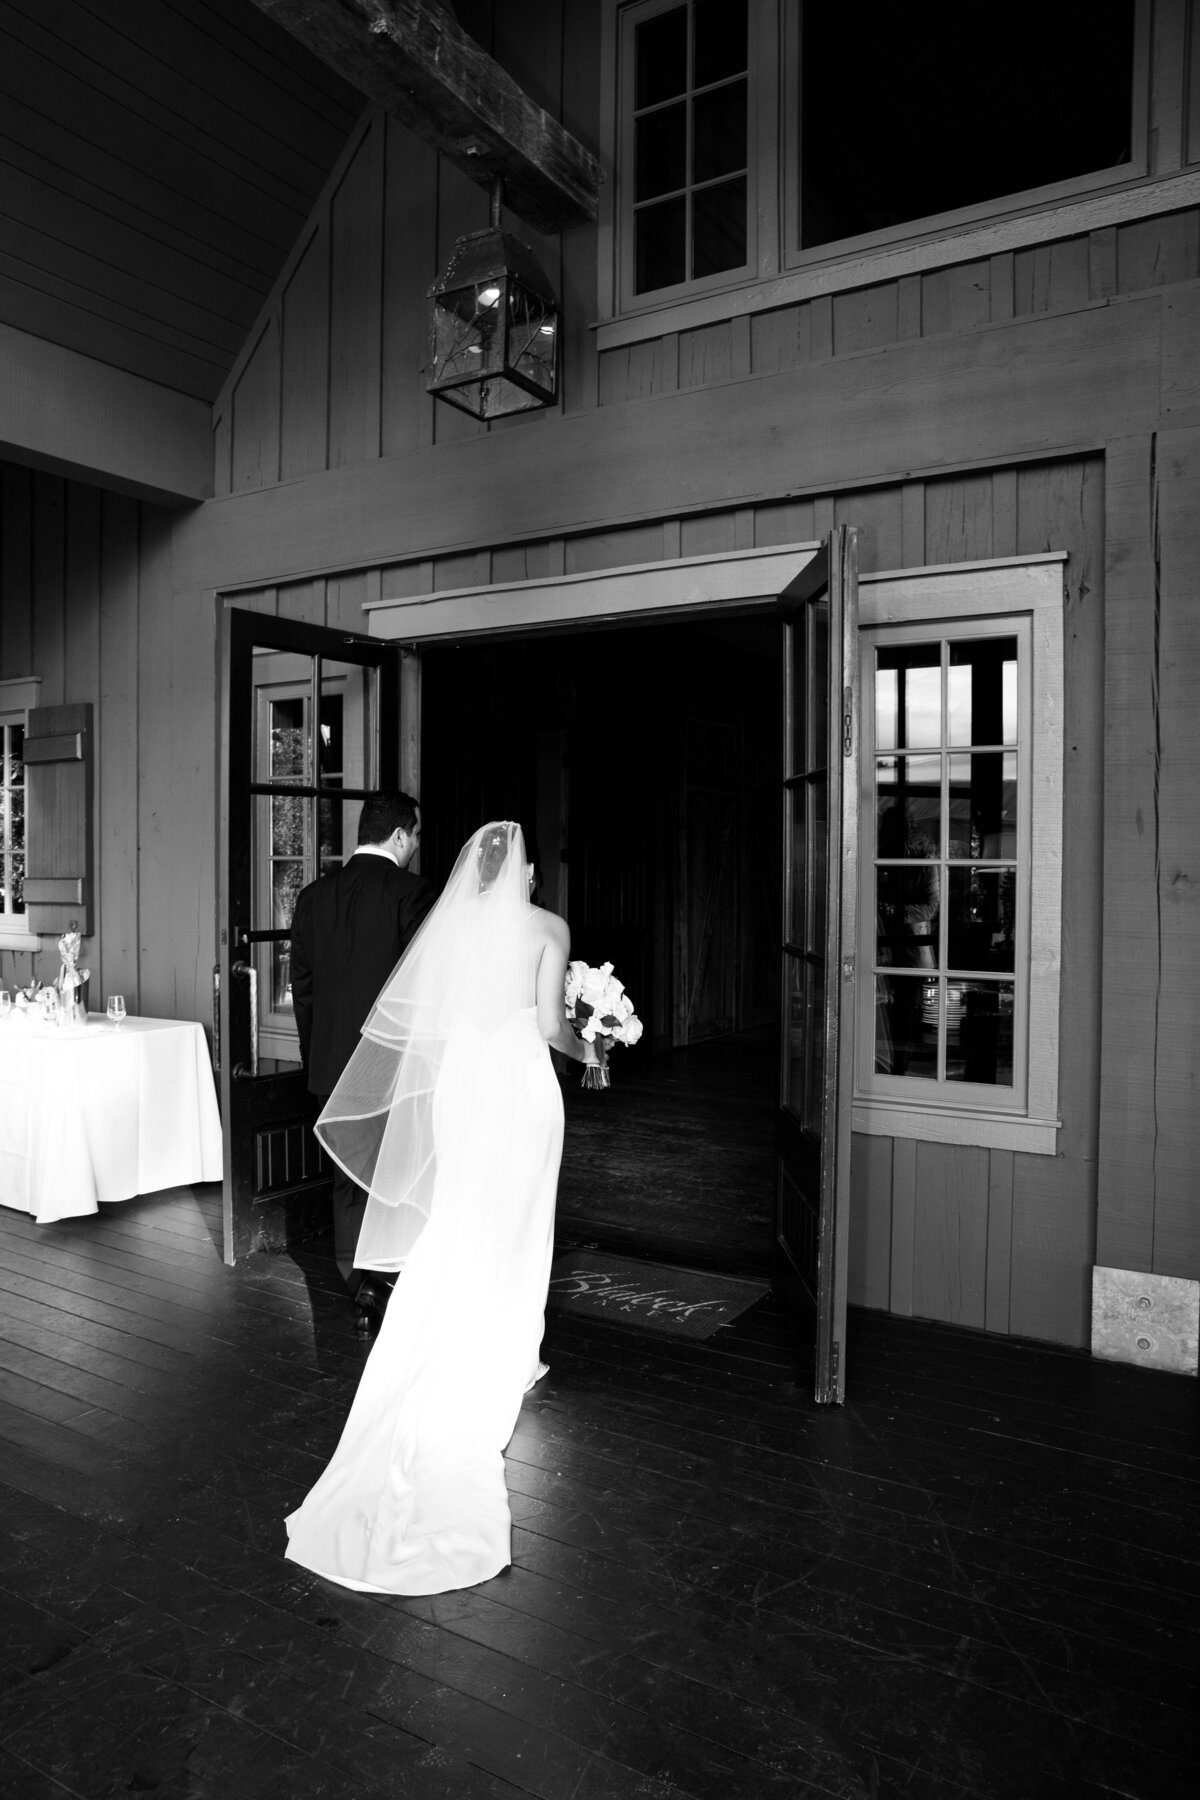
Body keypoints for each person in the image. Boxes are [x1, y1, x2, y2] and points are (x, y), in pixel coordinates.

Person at [283, 820, 603, 1595]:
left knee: (461, 1209)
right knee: (519, 1216)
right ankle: (510, 1350)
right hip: (522, 1086)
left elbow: (430, 1021)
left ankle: (460, 1334)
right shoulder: (547, 927)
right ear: (523, 875)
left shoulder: (445, 931)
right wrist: (594, 1044)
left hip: (464, 1085)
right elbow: (551, 1024)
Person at [289, 791, 435, 1329]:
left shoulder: (311, 897)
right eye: (416, 835)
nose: (417, 845)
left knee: (348, 1179)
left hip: (330, 1062)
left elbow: (302, 989)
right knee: (400, 1173)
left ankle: (358, 1286)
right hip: (390, 1065)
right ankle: (388, 1283)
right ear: (400, 835)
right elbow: (421, 988)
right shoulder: (412, 893)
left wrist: (319, 1057)